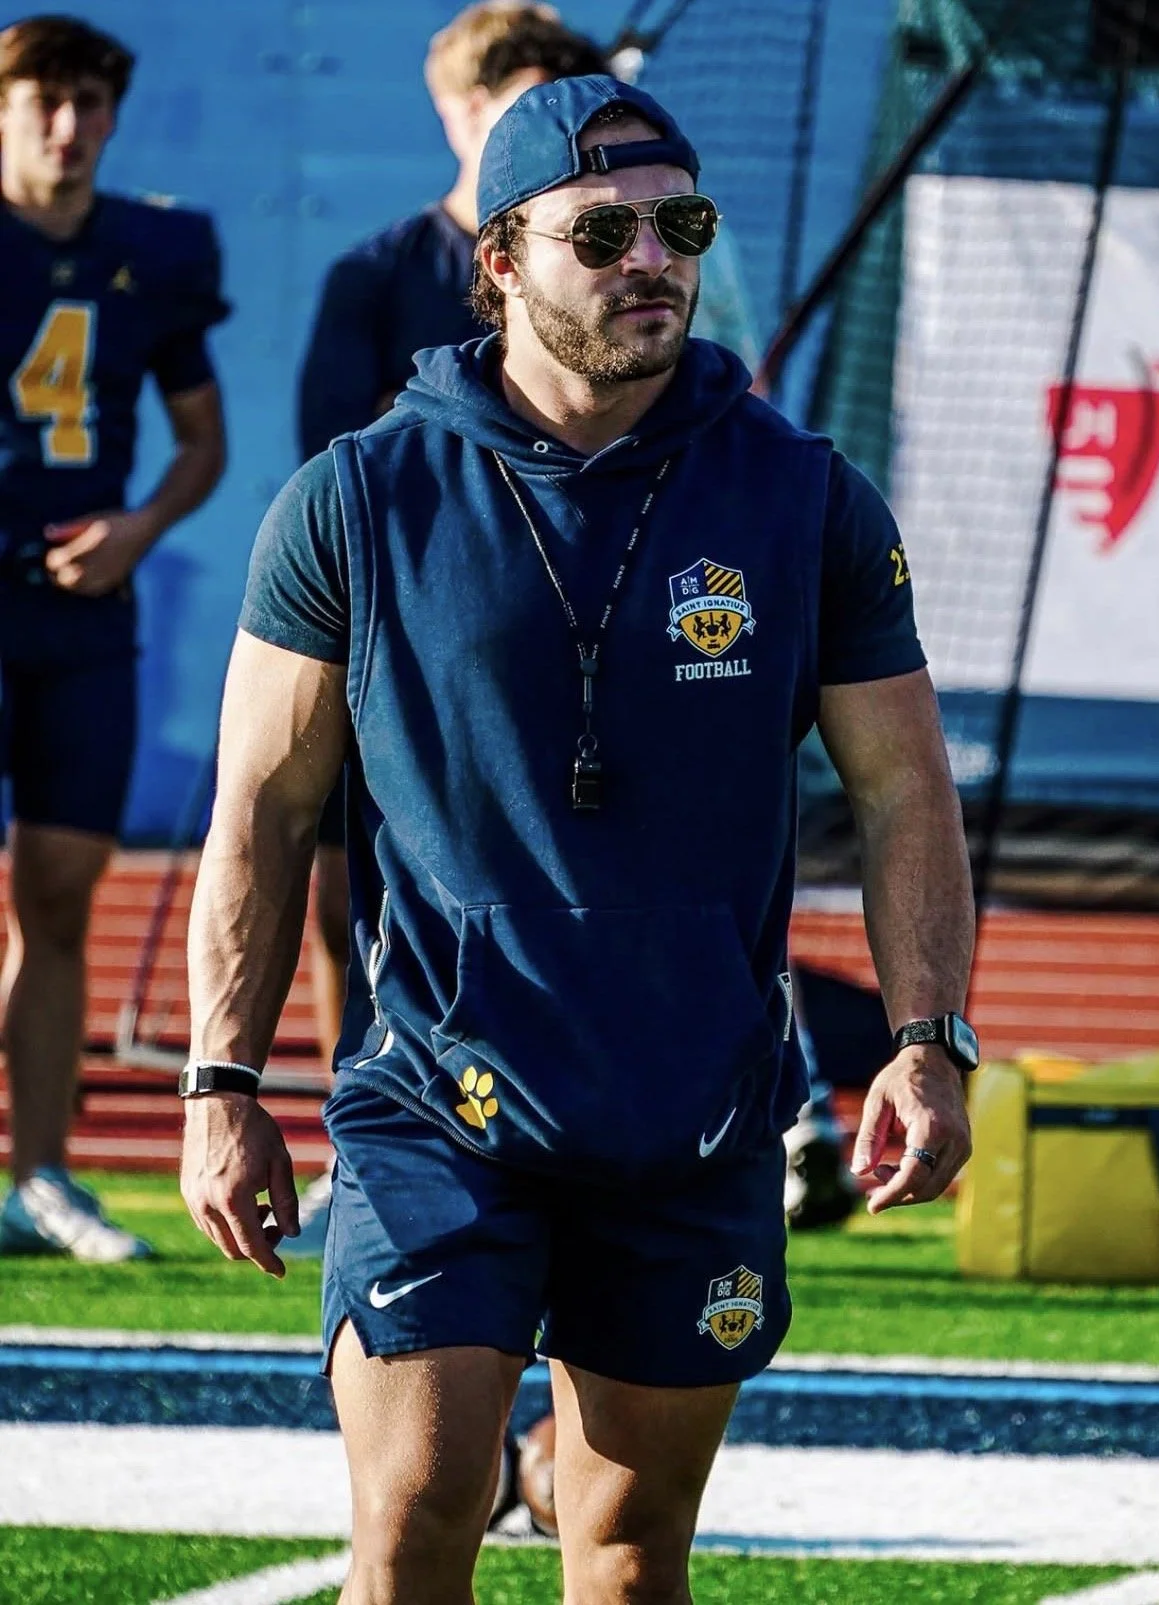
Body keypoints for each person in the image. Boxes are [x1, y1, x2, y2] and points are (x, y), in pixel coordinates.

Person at [181, 75, 976, 1605]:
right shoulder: (355, 500)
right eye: (602, 230)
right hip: (437, 1101)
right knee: (417, 1513)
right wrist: (223, 1080)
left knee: (622, 1558)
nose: (651, 259)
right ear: (501, 260)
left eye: (679, 225)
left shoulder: (802, 498)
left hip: (693, 1109)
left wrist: (929, 1036)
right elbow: (263, 814)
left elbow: (903, 788)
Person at [288, 4, 607, 1259]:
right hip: (401, 645)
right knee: (343, 896)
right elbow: (331, 460)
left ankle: (591, 1145)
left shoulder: (613, 259)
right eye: (520, 101)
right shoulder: (376, 273)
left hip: (571, 646)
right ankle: (355, 1136)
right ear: (461, 109)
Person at [0, 14, 228, 1261]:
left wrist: (138, 530)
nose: (68, 127)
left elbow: (203, 440)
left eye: (89, 102)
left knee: (60, 897)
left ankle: (41, 1175)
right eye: (43, 100)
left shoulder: (153, 249)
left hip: (85, 607)